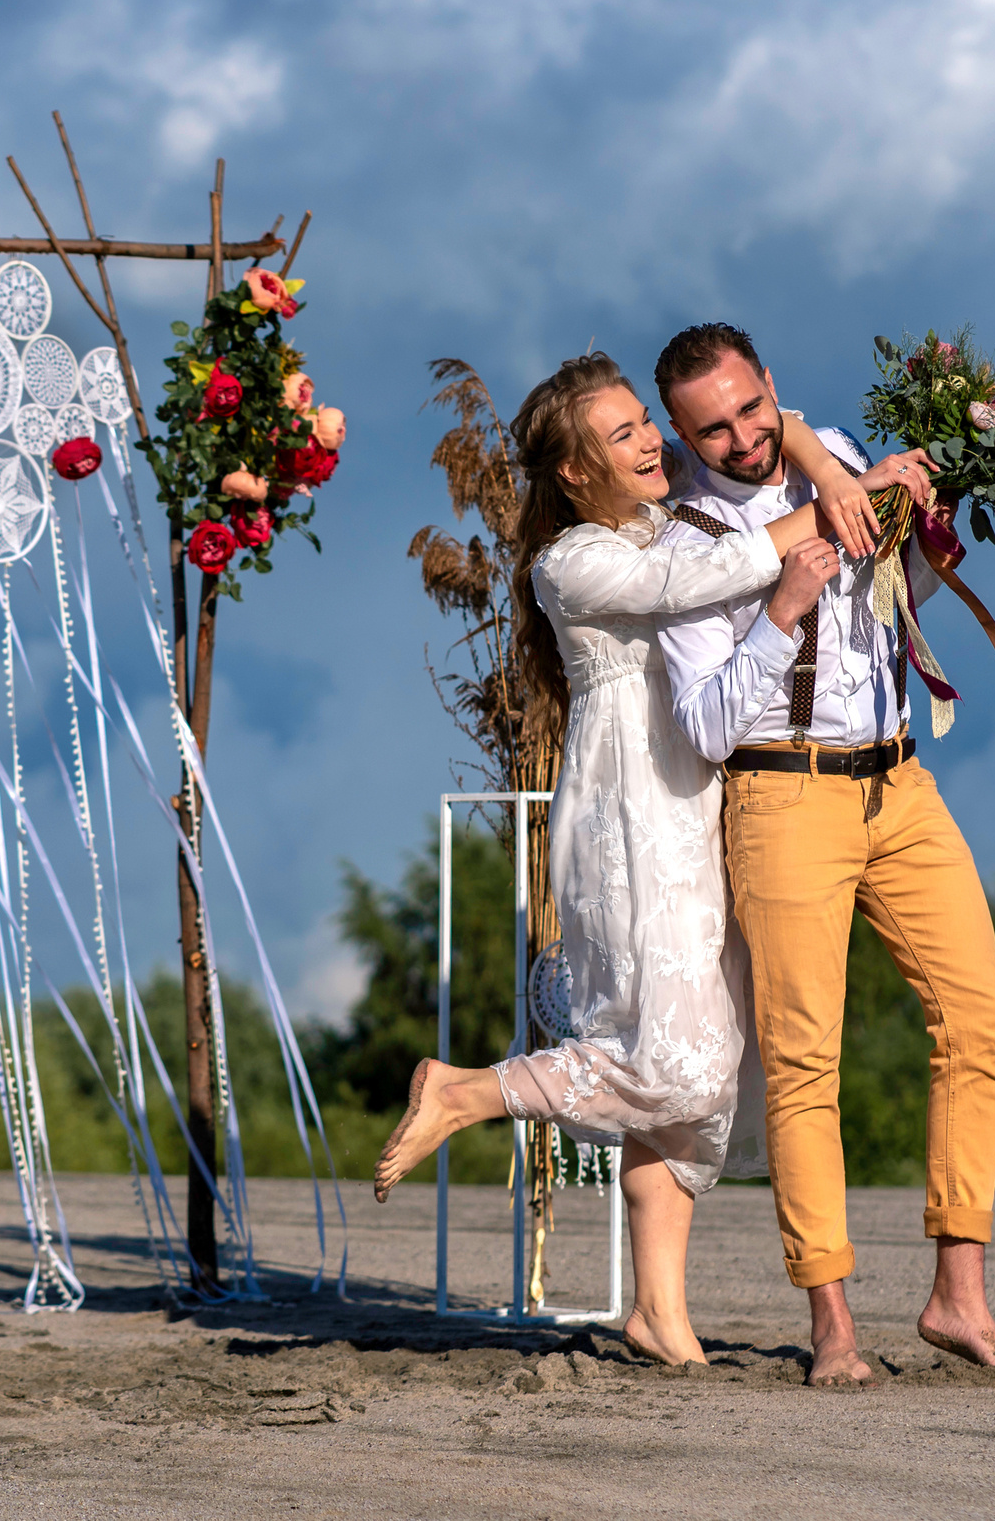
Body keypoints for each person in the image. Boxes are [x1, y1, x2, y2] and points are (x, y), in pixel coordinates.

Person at [372, 350, 909, 1366]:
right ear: (574, 471)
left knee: (703, 1075)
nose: (650, 442)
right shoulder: (572, 561)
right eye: (621, 435)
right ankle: (465, 1090)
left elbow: (771, 442)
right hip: (632, 817)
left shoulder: (667, 521)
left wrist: (828, 467)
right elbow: (710, 573)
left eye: (643, 425)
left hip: (706, 804)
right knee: (673, 1059)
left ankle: (657, 1309)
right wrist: (850, 491)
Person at [650, 321, 995, 1388]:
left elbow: (908, 597)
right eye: (711, 428)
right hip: (780, 794)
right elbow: (709, 727)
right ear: (680, 434)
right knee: (806, 1061)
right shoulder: (684, 547)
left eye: (752, 411)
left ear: (774, 389)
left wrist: (928, 529)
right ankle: (833, 1322)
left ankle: (957, 1288)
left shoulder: (842, 456)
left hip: (896, 779)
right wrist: (780, 610)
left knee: (980, 1011)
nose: (741, 437)